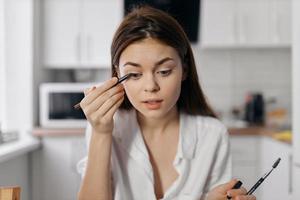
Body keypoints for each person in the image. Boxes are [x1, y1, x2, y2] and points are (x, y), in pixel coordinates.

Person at [77, 5, 256, 200]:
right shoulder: (106, 127)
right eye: (134, 74)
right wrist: (101, 133)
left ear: (184, 70)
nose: (151, 86)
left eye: (164, 71)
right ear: (117, 74)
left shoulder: (212, 135)